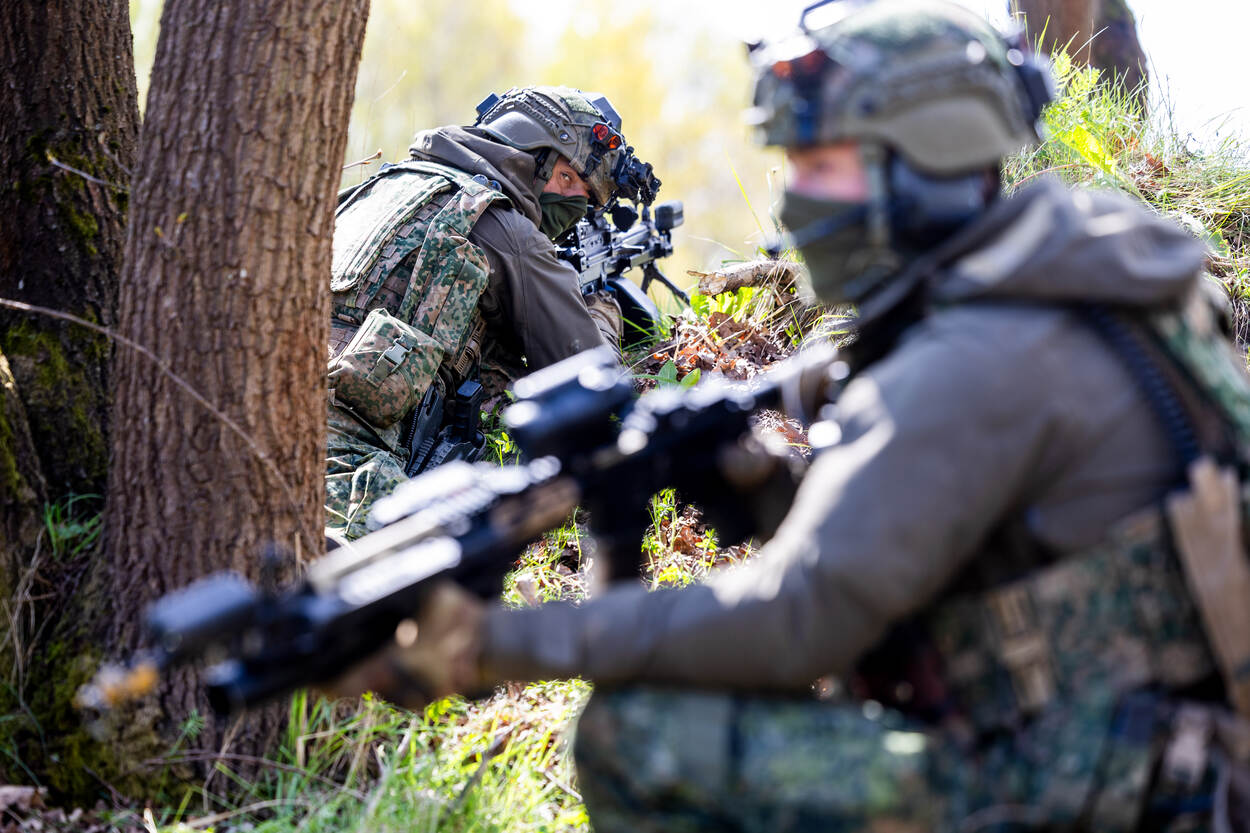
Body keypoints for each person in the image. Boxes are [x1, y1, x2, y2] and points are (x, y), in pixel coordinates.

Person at [329, 2, 1250, 830]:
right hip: (1166, 740)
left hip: (1129, 786)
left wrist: (493, 642)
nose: (797, 197)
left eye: (825, 163)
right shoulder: (1088, 289)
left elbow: (796, 622)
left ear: (925, 158)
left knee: (637, 737)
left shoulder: (976, 360)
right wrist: (766, 480)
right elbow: (959, 522)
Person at [326, 86, 648, 541]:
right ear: (532, 154)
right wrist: (602, 309)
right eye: (568, 181)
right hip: (349, 473)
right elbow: (592, 379)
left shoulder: (377, 186)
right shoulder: (509, 232)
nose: (573, 205)